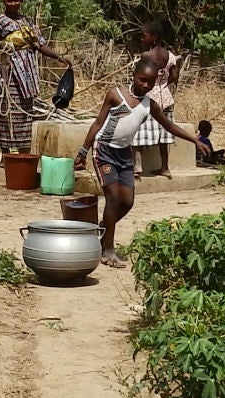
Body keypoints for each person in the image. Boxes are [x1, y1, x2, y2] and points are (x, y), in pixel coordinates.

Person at [75, 58, 204, 267]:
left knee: (127, 202)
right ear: (134, 76)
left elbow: (169, 126)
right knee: (114, 198)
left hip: (125, 155)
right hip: (104, 151)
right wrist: (82, 151)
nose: (145, 85)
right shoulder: (115, 95)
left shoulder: (149, 105)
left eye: (150, 83)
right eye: (142, 80)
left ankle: (104, 229)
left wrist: (194, 140)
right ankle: (108, 250)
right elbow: (98, 123)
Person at [0, 0, 71, 153]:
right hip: (7, 76)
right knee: (5, 113)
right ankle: (5, 156)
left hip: (26, 78)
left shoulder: (27, 23)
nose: (13, 4)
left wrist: (58, 57)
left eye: (15, 0)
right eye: (9, 1)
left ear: (20, 1)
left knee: (24, 115)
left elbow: (39, 45)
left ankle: (23, 154)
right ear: (4, 1)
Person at [126, 21, 184, 167]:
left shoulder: (146, 56)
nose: (142, 39)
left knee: (138, 129)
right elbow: (174, 77)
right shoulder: (170, 56)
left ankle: (138, 166)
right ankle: (164, 167)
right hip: (166, 99)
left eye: (144, 36)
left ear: (154, 37)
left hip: (148, 98)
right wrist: (162, 82)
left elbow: (140, 76)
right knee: (164, 132)